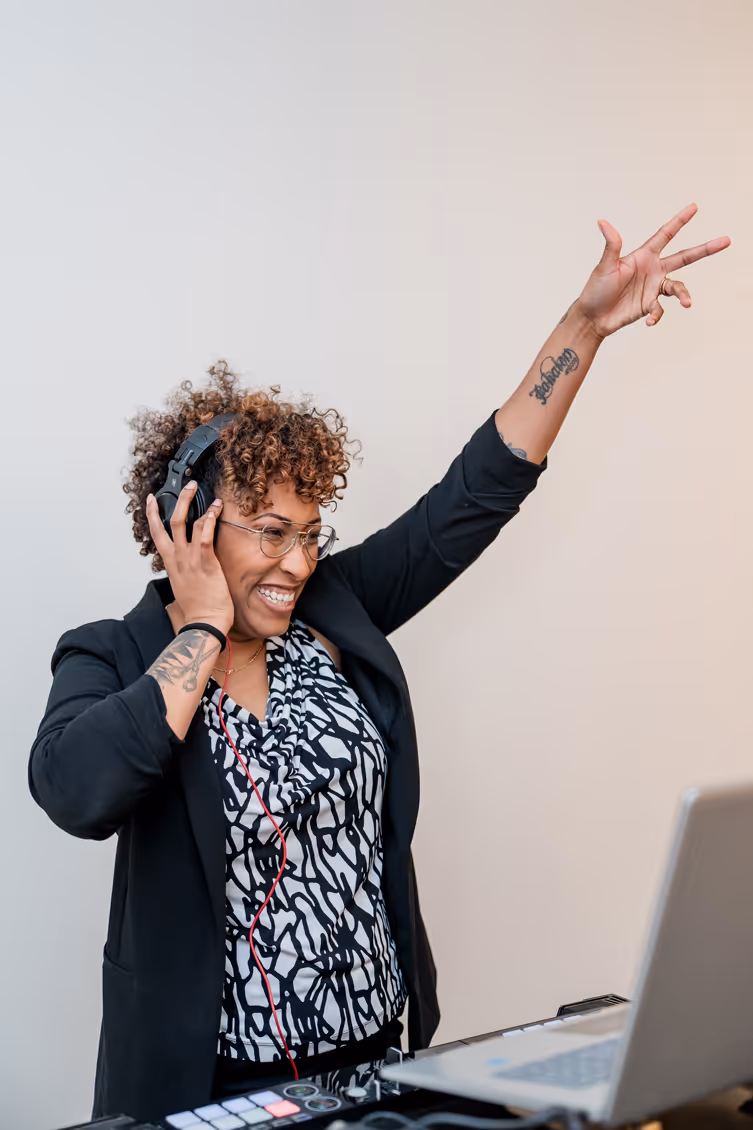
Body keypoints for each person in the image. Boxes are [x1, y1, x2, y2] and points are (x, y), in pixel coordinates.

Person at [29, 205, 729, 1122]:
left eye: (310, 535)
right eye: (271, 533)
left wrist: (584, 328)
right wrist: (199, 628)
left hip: (375, 1070)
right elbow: (75, 792)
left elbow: (473, 495)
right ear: (187, 522)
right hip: (209, 1090)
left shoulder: (331, 610)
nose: (297, 564)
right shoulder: (110, 653)